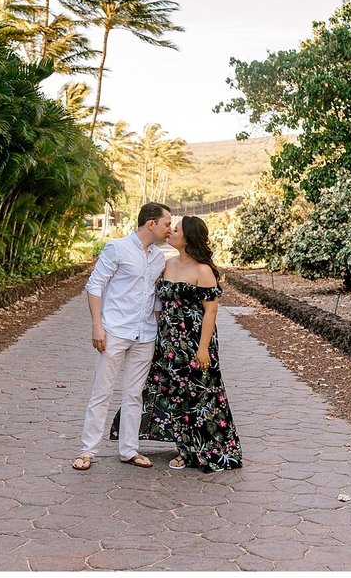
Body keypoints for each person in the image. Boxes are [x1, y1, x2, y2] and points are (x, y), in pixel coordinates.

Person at [111, 215, 243, 472]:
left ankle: (203, 450)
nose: (171, 231)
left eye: (177, 229)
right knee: (174, 395)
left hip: (195, 344)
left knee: (200, 395)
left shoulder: (203, 270)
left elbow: (211, 313)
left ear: (189, 237)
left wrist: (203, 348)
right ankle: (183, 448)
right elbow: (158, 301)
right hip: (169, 344)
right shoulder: (167, 264)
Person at [73, 202, 173, 471]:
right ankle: (87, 451)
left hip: (145, 334)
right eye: (166, 224)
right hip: (115, 331)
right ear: (151, 223)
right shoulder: (117, 248)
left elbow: (155, 298)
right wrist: (97, 326)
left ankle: (129, 450)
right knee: (102, 392)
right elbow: (95, 285)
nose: (170, 229)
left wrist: (160, 330)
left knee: (134, 395)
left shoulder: (159, 257)